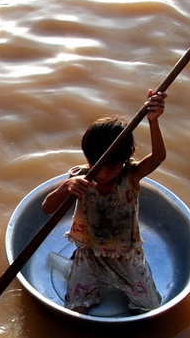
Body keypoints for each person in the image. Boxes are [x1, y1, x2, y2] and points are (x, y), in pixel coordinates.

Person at [41, 90, 167, 314]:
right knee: (74, 307)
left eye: (113, 167)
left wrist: (154, 121)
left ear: (126, 160)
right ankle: (77, 275)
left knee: (151, 307)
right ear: (88, 158)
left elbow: (158, 157)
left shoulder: (131, 175)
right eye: (98, 165)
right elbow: (47, 208)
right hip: (90, 254)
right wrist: (65, 187)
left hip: (126, 256)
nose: (104, 174)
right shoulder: (80, 178)